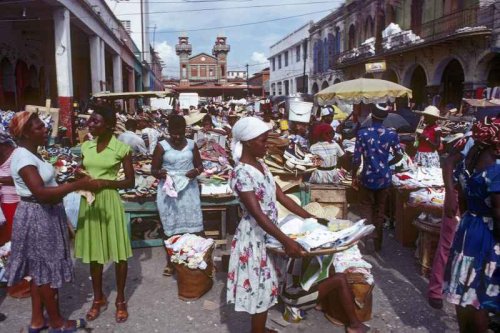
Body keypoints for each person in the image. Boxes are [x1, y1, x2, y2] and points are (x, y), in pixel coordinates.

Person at [227, 117, 316, 333]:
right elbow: (257, 214)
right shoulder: (241, 173)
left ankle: (260, 328)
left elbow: (281, 196)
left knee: (267, 285)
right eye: (263, 141)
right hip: (255, 237)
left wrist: (312, 218)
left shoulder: (262, 165)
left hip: (269, 232)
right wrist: (287, 241)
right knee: (260, 288)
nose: (267, 145)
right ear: (248, 142)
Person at [7, 111, 91, 332]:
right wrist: (77, 185)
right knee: (44, 272)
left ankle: (37, 320)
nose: (45, 130)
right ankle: (57, 322)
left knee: (39, 270)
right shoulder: (24, 157)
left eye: (43, 126)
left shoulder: (33, 153)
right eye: (38, 128)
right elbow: (42, 193)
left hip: (45, 214)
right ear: (25, 134)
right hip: (38, 216)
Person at [75, 104, 135, 323]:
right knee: (94, 252)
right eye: (90, 120)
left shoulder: (121, 149)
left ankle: (120, 300)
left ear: (109, 125)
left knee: (119, 253)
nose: (90, 124)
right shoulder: (86, 147)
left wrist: (105, 182)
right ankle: (98, 298)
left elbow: (130, 181)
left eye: (95, 121)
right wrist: (79, 173)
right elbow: (83, 169)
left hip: (110, 201)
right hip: (89, 202)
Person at [444, 117, 500, 332]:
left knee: (466, 292)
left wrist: (450, 194)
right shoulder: (495, 171)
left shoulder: (468, 164)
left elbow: (464, 201)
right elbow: (497, 212)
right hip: (487, 234)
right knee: (480, 298)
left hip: (468, 228)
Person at [152, 115, 204, 277]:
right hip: (169, 190)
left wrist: (195, 171)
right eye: (173, 133)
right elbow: (153, 170)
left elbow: (200, 165)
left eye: (180, 133)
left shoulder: (191, 144)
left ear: (184, 131)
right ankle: (171, 262)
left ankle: (193, 258)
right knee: (171, 227)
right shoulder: (161, 146)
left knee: (192, 227)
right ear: (168, 131)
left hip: (189, 189)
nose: (176, 136)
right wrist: (160, 173)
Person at [427, 135, 473, 309]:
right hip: (458, 193)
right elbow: (448, 163)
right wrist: (451, 194)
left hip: (482, 199)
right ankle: (436, 290)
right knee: (448, 242)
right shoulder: (473, 138)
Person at [352, 104, 404, 252]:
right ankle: (377, 242)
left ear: (372, 116)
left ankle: (368, 238)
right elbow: (399, 154)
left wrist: (352, 174)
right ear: (385, 117)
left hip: (367, 177)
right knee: (380, 211)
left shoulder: (362, 134)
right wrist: (388, 163)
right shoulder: (391, 134)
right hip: (384, 177)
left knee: (366, 208)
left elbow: (356, 159)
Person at [0, 131, 19, 245]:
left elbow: (21, 179)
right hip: (3, 203)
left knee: (14, 238)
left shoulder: (16, 154)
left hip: (16, 201)